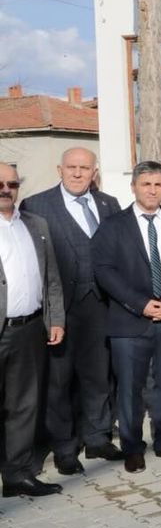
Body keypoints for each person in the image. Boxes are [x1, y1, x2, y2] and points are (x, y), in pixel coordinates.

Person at [20, 147, 124, 473]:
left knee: (98, 375)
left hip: (101, 305)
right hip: (59, 309)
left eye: (84, 168)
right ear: (59, 169)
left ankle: (97, 438)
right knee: (59, 380)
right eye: (71, 167)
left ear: (94, 172)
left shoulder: (109, 204)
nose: (78, 173)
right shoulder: (36, 206)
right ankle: (64, 447)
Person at [93, 162, 161, 473]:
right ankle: (132, 447)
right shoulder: (113, 225)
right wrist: (141, 304)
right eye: (146, 184)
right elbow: (104, 271)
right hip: (130, 321)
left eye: (158, 185)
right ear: (134, 187)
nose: (153, 190)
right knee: (130, 387)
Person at [0, 166, 66, 498]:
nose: (6, 189)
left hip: (29, 329)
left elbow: (50, 276)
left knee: (24, 405)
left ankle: (17, 475)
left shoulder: (36, 224)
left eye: (12, 183)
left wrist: (56, 318)